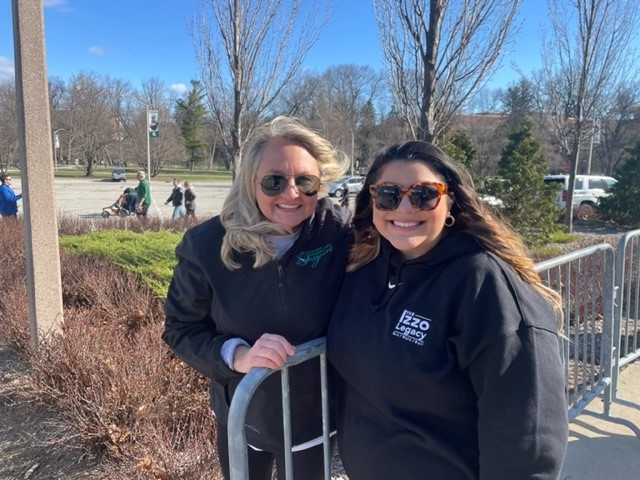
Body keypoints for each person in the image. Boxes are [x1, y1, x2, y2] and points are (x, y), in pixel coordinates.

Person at [327, 140, 569, 480]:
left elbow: (528, 442)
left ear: (451, 199)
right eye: (388, 194)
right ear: (372, 201)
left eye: (424, 194)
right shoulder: (365, 268)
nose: (405, 206)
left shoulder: (486, 287)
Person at [162, 116, 351, 480]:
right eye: (274, 181)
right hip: (241, 413)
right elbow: (180, 328)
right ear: (251, 181)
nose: (291, 193)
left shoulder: (341, 232)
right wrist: (238, 355)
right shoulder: (206, 245)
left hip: (315, 417)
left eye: (306, 182)